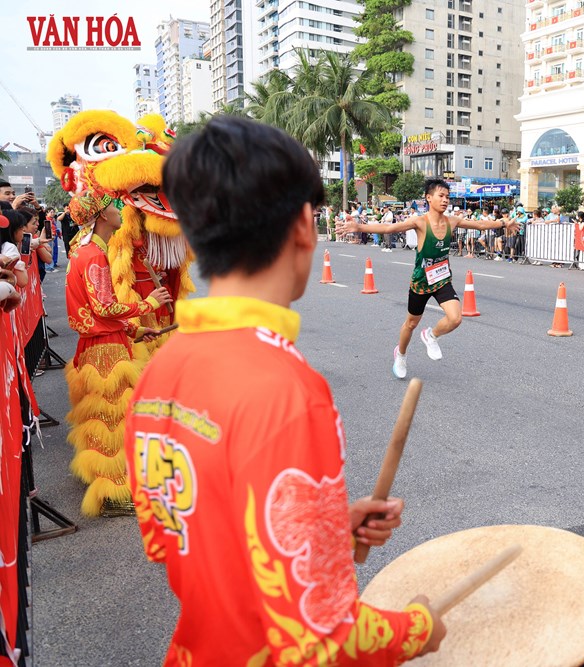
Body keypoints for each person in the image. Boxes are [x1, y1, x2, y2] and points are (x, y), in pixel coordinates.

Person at [126, 116, 445, 664]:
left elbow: (173, 539)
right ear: (303, 224)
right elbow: (320, 635)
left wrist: (320, 525)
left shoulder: (160, 369)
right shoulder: (288, 391)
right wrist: (418, 628)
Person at [337, 178, 519, 379]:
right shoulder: (420, 222)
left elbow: (479, 225)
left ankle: (431, 335)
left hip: (442, 279)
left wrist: (504, 222)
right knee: (411, 324)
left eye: (447, 197)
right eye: (441, 196)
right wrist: (359, 228)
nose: (445, 200)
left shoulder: (452, 221)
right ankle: (401, 354)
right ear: (428, 198)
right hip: (421, 282)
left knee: (456, 318)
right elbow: (390, 229)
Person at [64, 189, 172, 516]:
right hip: (105, 352)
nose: (118, 211)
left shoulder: (86, 251)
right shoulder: (94, 255)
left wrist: (137, 330)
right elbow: (105, 306)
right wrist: (148, 304)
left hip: (101, 343)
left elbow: (98, 312)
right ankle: (111, 494)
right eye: (112, 206)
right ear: (100, 217)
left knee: (107, 420)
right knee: (112, 422)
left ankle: (113, 486)